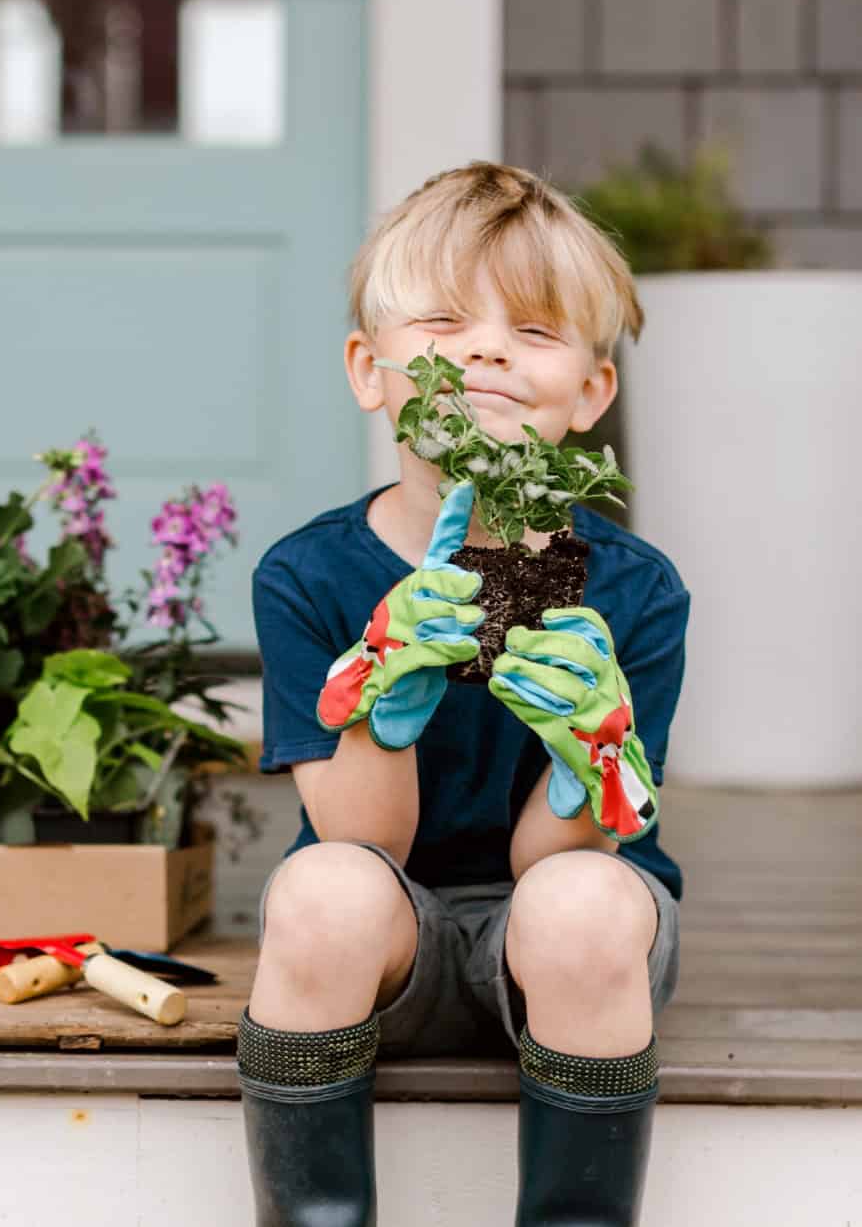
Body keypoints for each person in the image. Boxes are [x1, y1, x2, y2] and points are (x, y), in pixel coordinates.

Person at [239, 161, 690, 1226]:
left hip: (571, 944)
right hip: (389, 933)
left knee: (574, 910)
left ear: (589, 394)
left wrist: (592, 747)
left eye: (533, 331)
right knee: (318, 891)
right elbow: (362, 841)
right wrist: (385, 694)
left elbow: (557, 866)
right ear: (369, 368)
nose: (485, 347)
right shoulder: (307, 578)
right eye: (443, 319)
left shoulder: (633, 592)